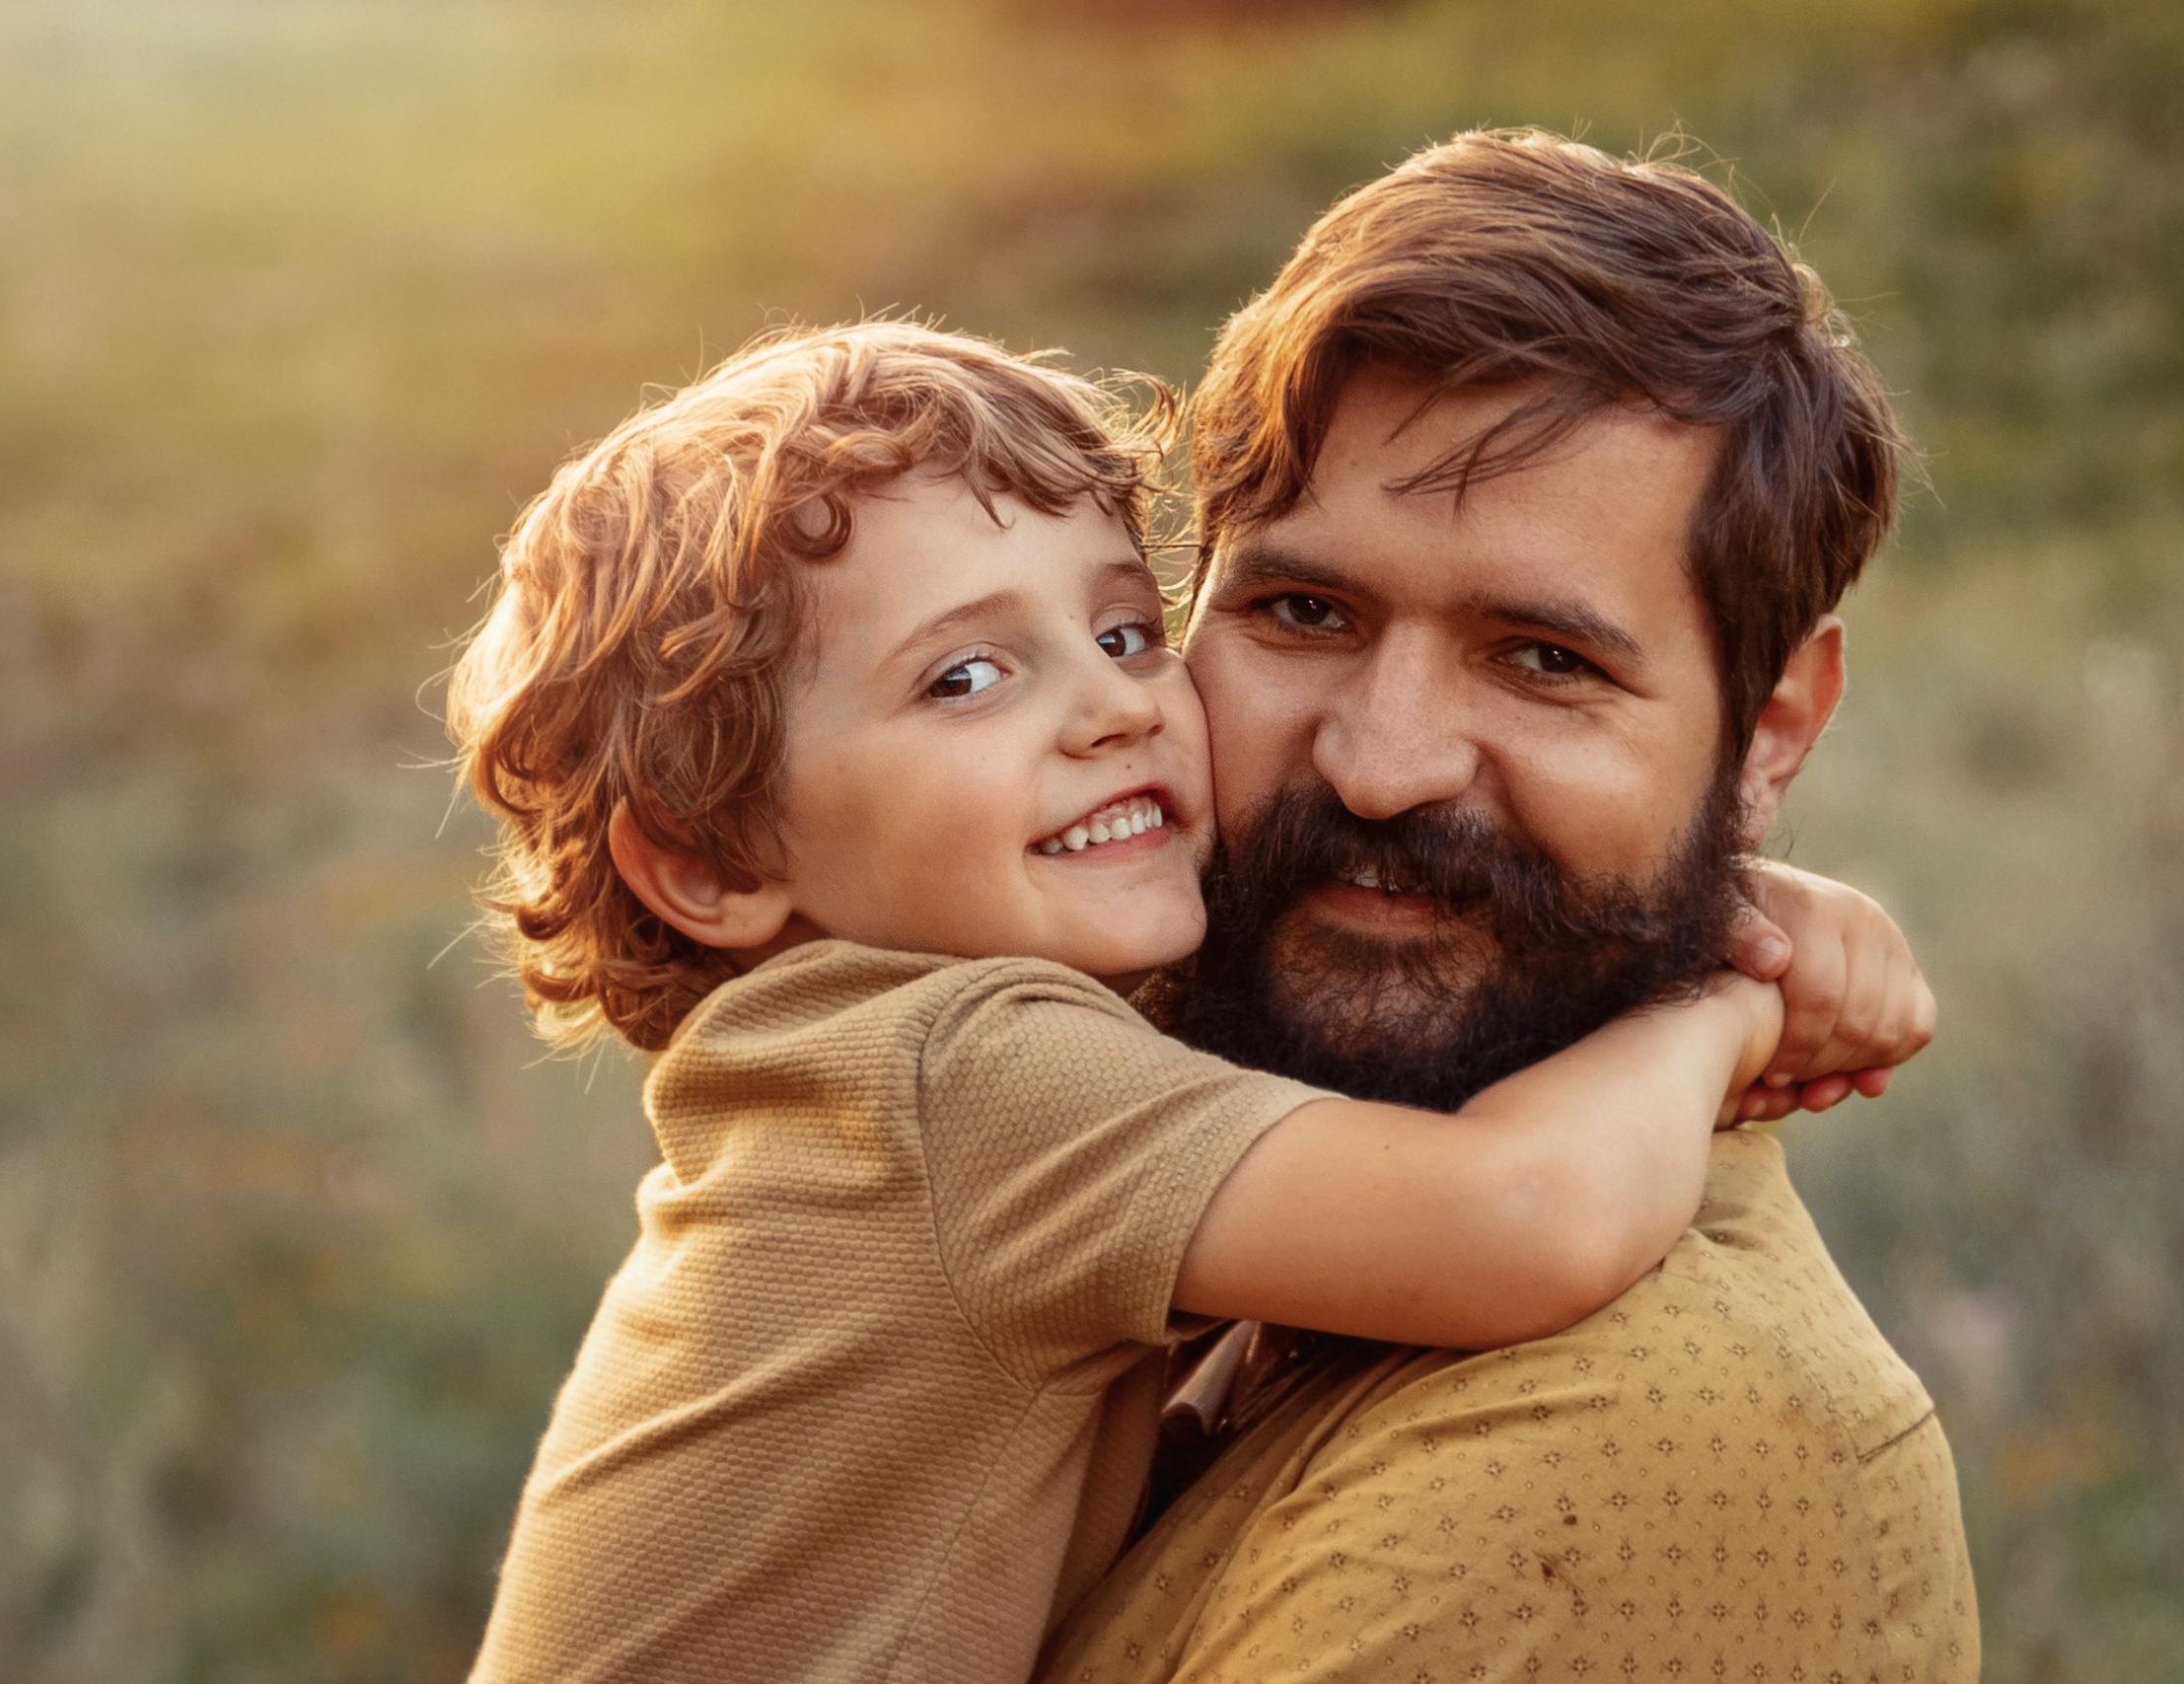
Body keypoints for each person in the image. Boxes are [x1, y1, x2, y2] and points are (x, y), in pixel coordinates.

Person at [443, 321, 1931, 1683]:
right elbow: (1519, 1220)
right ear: (708, 858)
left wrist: (1713, 902)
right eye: (965, 677)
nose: (1111, 708)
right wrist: (1728, 1002)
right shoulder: (962, 1075)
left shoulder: (900, 1066)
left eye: (1122, 630)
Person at [1034, 130, 1982, 1683]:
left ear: (1776, 731)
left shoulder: (1608, 1475)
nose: (1380, 764)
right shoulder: (1177, 1220)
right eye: (1300, 611)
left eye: (1545, 659)